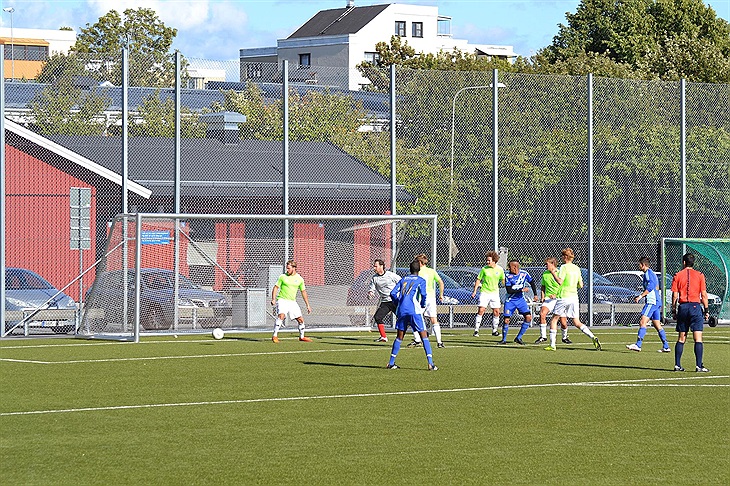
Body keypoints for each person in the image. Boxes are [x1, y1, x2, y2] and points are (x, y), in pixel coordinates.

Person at [545, 248, 601, 351]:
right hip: (574, 297)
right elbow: (581, 285)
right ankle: (593, 337)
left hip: (563, 297)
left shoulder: (564, 267)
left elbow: (560, 281)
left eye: (562, 256)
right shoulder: (577, 268)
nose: (561, 258)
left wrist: (553, 273)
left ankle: (552, 345)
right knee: (576, 322)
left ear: (565, 257)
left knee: (554, 319)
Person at [387, 260, 438, 371]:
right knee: (423, 335)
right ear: (419, 270)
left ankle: (391, 363)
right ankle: (430, 363)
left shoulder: (403, 279)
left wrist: (398, 303)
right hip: (414, 310)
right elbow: (423, 294)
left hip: (402, 311)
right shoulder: (420, 280)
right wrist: (422, 304)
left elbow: (392, 293)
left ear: (409, 269)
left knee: (399, 336)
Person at [671, 253, 710, 372]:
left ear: (684, 262)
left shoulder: (677, 275)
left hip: (683, 307)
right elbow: (704, 295)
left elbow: (675, 295)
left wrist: (674, 310)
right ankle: (699, 366)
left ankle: (677, 365)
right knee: (698, 338)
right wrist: (706, 310)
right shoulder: (700, 275)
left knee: (681, 337)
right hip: (695, 307)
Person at [626, 257, 671, 352]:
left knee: (643, 322)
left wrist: (640, 296)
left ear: (643, 265)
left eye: (639, 264)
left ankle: (638, 345)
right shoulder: (651, 274)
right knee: (657, 324)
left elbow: (650, 287)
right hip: (656, 302)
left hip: (652, 302)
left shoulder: (648, 274)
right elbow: (656, 286)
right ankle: (666, 346)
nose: (638, 266)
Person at [406, 253, 446, 348]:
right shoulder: (431, 271)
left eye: (416, 262)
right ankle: (439, 342)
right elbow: (441, 282)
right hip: (431, 298)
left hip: (420, 298)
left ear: (420, 262)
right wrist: (441, 294)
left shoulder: (418, 272)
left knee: (413, 318)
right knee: (434, 320)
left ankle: (417, 340)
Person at [270, 260, 312, 343]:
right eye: (287, 268)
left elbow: (303, 292)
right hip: (282, 300)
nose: (287, 270)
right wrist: (273, 299)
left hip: (292, 302)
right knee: (281, 315)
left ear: (294, 268)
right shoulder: (282, 277)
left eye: (289, 268)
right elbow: (275, 288)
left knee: (300, 320)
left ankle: (302, 337)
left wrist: (307, 305)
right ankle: (274, 335)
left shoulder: (300, 279)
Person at [535, 257, 571, 344]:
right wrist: (543, 296)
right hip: (549, 299)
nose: (545, 266)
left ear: (552, 264)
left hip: (559, 299)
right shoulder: (545, 274)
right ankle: (543, 336)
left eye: (547, 264)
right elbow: (543, 286)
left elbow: (563, 286)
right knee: (542, 314)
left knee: (563, 322)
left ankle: (564, 337)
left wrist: (556, 295)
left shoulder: (560, 273)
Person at [502, 258, 537, 344]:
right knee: (506, 320)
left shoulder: (524, 274)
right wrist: (521, 290)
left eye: (510, 267)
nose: (508, 268)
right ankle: (504, 340)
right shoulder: (507, 276)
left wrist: (535, 295)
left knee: (528, 317)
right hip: (510, 301)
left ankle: (518, 338)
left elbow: (532, 282)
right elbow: (509, 290)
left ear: (515, 267)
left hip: (521, 300)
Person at [472, 250, 505, 337]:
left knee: (496, 311)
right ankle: (476, 330)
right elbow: (478, 280)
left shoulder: (500, 270)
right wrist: (475, 291)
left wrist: (508, 286)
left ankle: (495, 330)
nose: (487, 262)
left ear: (494, 260)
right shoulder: (484, 269)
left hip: (495, 293)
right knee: (481, 310)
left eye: (489, 260)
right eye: (487, 260)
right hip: (485, 292)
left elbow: (503, 281)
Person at [368, 259, 401, 342]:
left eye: (376, 266)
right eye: (374, 266)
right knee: (377, 317)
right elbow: (371, 288)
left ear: (381, 266)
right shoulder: (374, 278)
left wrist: (400, 293)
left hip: (395, 300)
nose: (374, 268)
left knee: (404, 318)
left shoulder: (391, 275)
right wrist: (370, 293)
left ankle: (419, 336)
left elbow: (402, 282)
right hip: (385, 302)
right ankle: (383, 337)